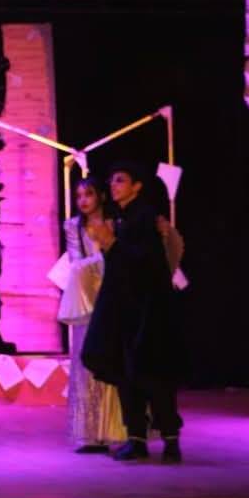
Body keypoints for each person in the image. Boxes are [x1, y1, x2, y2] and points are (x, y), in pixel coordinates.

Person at [82, 162, 184, 463]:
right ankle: (136, 438)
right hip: (126, 309)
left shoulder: (144, 217)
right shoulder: (122, 217)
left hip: (147, 311)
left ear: (136, 186)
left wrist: (112, 243)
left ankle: (170, 441)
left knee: (153, 374)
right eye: (112, 181)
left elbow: (146, 263)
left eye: (120, 180)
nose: (113, 186)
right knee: (128, 372)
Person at [58, 178, 126, 453]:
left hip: (115, 296)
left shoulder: (116, 223)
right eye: (78, 196)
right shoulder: (73, 226)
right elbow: (77, 263)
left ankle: (117, 431)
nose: (83, 200)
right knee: (86, 364)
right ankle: (89, 433)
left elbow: (122, 260)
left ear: (100, 196)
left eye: (88, 194)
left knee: (114, 362)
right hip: (87, 300)